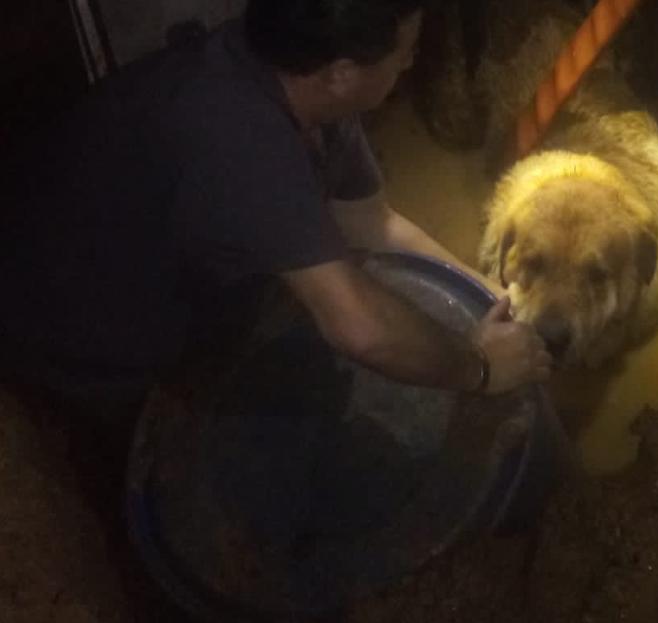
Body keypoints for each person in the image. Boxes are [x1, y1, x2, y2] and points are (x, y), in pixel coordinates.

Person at [0, 0, 552, 441]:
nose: (411, 60)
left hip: (145, 256)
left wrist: (491, 297)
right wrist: (478, 368)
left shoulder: (304, 84)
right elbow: (358, 326)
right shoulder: (240, 140)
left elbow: (373, 223)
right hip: (68, 337)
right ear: (342, 72)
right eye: (406, 49)